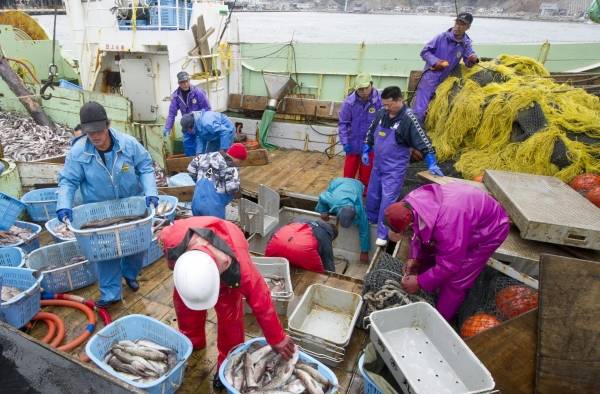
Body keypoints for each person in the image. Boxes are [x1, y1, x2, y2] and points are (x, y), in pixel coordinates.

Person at [158, 216, 296, 389]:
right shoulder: (172, 243)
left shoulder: (241, 271)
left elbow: (262, 301)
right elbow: (163, 233)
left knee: (230, 318)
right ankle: (192, 341)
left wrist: (277, 337)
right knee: (186, 308)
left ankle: (227, 363)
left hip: (230, 242)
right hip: (191, 262)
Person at [56, 102, 159, 308]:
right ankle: (111, 293)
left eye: (99, 130)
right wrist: (63, 205)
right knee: (105, 251)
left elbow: (145, 167)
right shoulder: (78, 152)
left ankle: (130, 275)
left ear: (108, 125)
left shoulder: (128, 144)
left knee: (136, 246)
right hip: (98, 210)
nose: (95, 136)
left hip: (131, 206)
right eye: (89, 132)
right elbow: (68, 181)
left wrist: (151, 192)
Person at [384, 183, 510, 321]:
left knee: (457, 279)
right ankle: (429, 290)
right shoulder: (409, 204)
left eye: (403, 233)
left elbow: (450, 264)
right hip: (462, 218)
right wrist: (415, 258)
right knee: (430, 255)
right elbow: (416, 235)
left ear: (409, 225)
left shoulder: (447, 224)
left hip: (489, 229)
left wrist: (420, 282)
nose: (405, 237)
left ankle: (438, 320)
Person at [362, 86, 443, 247]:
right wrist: (366, 148)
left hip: (394, 169)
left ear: (399, 100)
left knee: (388, 200)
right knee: (372, 194)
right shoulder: (381, 114)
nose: (386, 108)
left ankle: (383, 233)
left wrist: (431, 161)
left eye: (389, 104)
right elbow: (370, 133)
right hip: (378, 165)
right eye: (383, 104)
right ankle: (369, 219)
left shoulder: (409, 118)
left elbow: (423, 141)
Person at [413, 12, 479, 122]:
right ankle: (414, 132)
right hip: (429, 79)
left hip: (445, 82)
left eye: (462, 24)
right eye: (457, 22)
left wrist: (473, 59)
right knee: (420, 110)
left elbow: (468, 60)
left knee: (439, 111)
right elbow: (425, 52)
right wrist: (435, 62)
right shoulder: (441, 38)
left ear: (468, 27)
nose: (458, 26)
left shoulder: (466, 43)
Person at [338, 72, 382, 191]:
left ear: (371, 84)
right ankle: (347, 193)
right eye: (360, 89)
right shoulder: (349, 103)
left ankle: (364, 197)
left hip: (371, 145)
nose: (363, 91)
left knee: (367, 175)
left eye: (366, 88)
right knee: (348, 175)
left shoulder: (380, 101)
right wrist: (345, 142)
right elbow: (343, 123)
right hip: (353, 143)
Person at [315, 177, 370, 263]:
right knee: (328, 197)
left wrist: (364, 251)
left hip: (357, 184)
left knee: (361, 199)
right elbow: (323, 195)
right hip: (338, 183)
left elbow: (364, 231)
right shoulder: (333, 200)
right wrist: (323, 211)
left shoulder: (360, 212)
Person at [187, 143, 248, 219]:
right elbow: (232, 188)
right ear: (238, 159)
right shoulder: (231, 168)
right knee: (214, 230)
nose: (239, 163)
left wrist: (201, 181)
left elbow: (191, 169)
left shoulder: (206, 156)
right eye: (240, 161)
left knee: (198, 229)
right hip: (213, 208)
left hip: (196, 202)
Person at [163, 71, 211, 156]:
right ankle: (190, 164)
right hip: (187, 124)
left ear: (189, 80)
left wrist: (206, 125)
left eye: (186, 81)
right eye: (182, 82)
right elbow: (172, 113)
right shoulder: (176, 96)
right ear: (179, 83)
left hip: (199, 124)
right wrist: (168, 127)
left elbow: (207, 109)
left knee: (201, 146)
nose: (185, 84)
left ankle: (202, 163)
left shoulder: (198, 92)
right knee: (187, 144)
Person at [265, 219, 338, 273]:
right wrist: (332, 277)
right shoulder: (326, 235)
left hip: (275, 244)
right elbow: (328, 262)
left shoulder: (301, 220)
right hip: (301, 252)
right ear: (332, 235)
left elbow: (282, 230)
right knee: (318, 273)